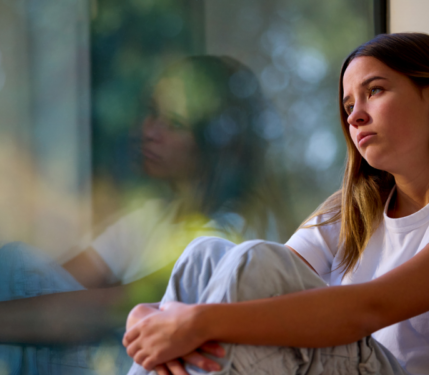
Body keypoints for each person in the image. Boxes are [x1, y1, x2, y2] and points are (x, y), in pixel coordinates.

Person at [123, 33, 429, 375]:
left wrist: (197, 322)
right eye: (349, 104)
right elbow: (265, 286)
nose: (355, 116)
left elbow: (371, 308)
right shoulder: (352, 211)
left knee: (251, 262)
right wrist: (150, 317)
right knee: (206, 254)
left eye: (375, 91)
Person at [0, 56, 293, 374]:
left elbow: (114, 312)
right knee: (17, 268)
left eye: (175, 123)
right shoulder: (151, 216)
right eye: (152, 113)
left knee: (15, 266)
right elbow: (54, 284)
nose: (149, 130)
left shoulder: (228, 235)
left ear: (215, 141)